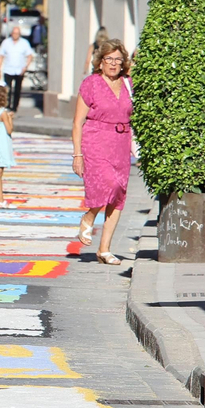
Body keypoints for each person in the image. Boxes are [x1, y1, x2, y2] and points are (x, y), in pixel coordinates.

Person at [71, 39, 133, 265]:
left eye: (118, 59)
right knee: (108, 184)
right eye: (109, 59)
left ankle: (104, 249)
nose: (114, 64)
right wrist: (77, 155)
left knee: (119, 193)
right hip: (96, 139)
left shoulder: (128, 83)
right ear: (100, 62)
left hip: (121, 141)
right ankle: (89, 215)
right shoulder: (91, 84)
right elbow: (78, 122)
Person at [0, 25, 36, 112]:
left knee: (17, 90)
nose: (16, 35)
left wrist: (26, 67)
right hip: (8, 69)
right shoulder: (6, 43)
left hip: (19, 70)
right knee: (7, 89)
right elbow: (1, 56)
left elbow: (30, 55)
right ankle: (7, 105)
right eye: (14, 33)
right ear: (11, 34)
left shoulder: (24, 43)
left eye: (17, 33)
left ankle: (14, 107)